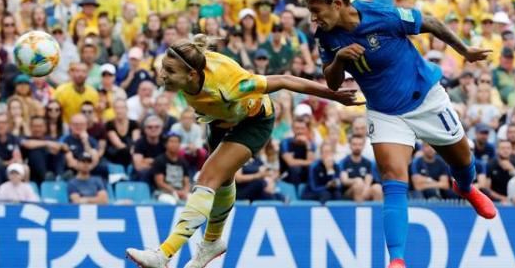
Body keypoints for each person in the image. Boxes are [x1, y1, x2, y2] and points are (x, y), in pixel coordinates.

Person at [300, 0, 495, 268]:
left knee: (463, 161)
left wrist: (465, 51)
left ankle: (465, 187)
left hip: (426, 98)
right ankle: (398, 260)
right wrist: (338, 59)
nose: (313, 18)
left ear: (337, 4)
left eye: (317, 10)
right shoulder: (325, 36)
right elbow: (333, 81)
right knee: (393, 178)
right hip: (385, 111)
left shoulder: (381, 15)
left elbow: (429, 22)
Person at [125, 34, 360, 267]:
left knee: (207, 178)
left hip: (253, 122)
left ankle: (164, 254)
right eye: (163, 67)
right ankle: (212, 243)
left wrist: (333, 96)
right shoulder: (189, 64)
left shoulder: (232, 84)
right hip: (218, 120)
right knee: (223, 180)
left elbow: (285, 80)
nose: (162, 73)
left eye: (169, 70)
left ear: (192, 74)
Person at [339, 134, 382, 202]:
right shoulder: (344, 162)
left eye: (360, 144)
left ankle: (378, 212)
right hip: (348, 192)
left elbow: (369, 178)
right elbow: (344, 180)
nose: (357, 147)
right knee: (358, 185)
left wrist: (365, 187)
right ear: (350, 145)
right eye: (354, 144)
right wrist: (357, 181)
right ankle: (360, 211)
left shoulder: (368, 162)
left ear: (363, 145)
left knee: (377, 188)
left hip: (365, 189)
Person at [152, 132, 191, 204]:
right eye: (171, 141)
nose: (174, 144)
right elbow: (160, 183)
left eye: (176, 142)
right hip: (163, 193)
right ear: (166, 144)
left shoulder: (184, 162)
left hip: (180, 191)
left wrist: (185, 192)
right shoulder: (159, 160)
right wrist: (174, 191)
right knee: (171, 201)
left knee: (192, 200)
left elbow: (187, 182)